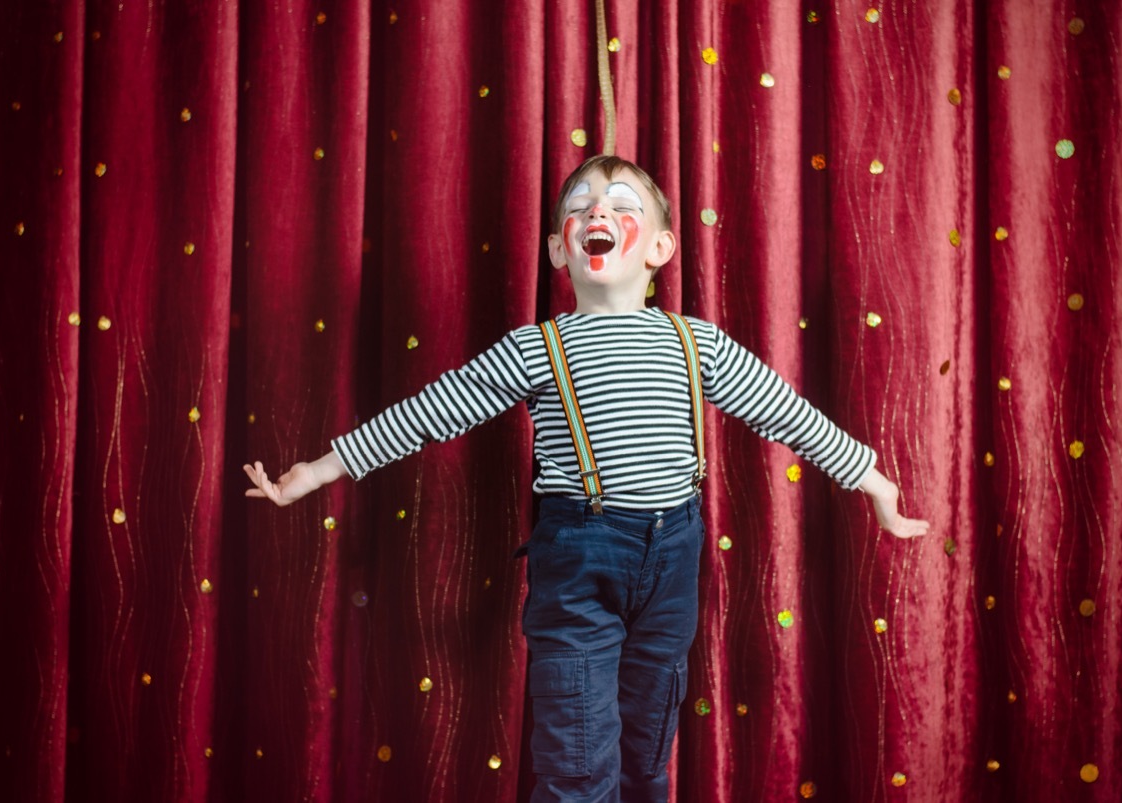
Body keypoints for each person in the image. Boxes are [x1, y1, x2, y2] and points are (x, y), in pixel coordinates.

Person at [244, 155, 930, 802]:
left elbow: (789, 413)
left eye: (623, 204)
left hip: (673, 558)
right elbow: (428, 413)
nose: (598, 211)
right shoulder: (535, 348)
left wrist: (873, 481)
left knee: (645, 749)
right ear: (558, 249)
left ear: (659, 248)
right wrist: (314, 471)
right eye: (581, 206)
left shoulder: (699, 343)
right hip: (578, 560)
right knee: (577, 756)